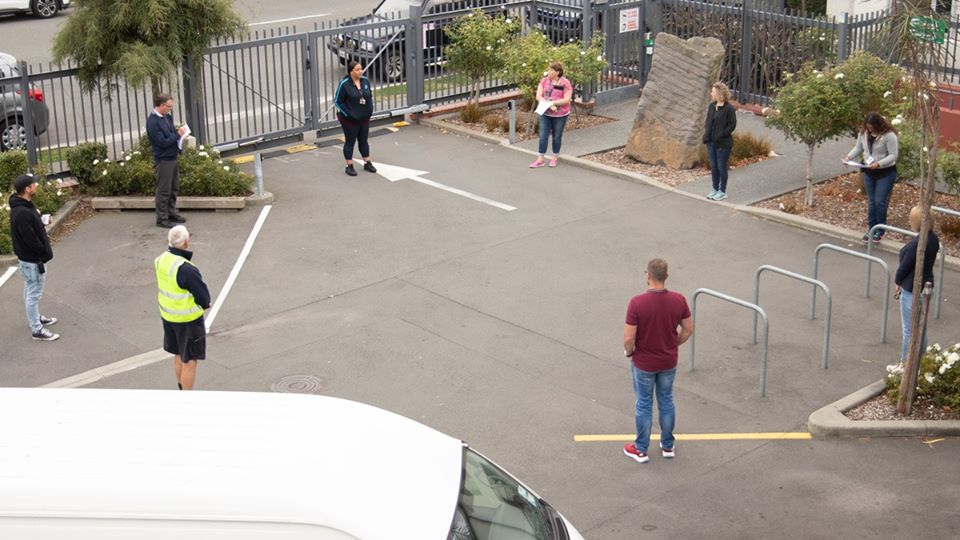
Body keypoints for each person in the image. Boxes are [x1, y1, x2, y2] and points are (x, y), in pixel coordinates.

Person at [622, 258, 693, 464]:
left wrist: (630, 352)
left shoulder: (637, 303)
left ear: (648, 276)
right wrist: (673, 344)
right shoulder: (678, 300)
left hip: (644, 362)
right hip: (668, 361)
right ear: (666, 276)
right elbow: (688, 329)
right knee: (666, 400)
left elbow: (628, 338)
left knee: (644, 404)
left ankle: (641, 449)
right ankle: (667, 445)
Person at [156, 225, 211, 390]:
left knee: (179, 354)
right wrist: (205, 304)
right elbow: (203, 296)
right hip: (188, 321)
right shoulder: (186, 269)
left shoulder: (160, 260)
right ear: (186, 242)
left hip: (169, 317)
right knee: (190, 360)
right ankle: (186, 398)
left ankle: (180, 387)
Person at [9, 174, 59, 341]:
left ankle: (36, 318)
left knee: (30, 290)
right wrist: (43, 252)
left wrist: (42, 221)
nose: (36, 186)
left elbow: (31, 225)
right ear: (27, 189)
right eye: (33, 184)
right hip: (33, 261)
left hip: (29, 260)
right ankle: (36, 330)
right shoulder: (22, 212)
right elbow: (30, 238)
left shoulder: (24, 206)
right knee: (33, 293)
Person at [844, 112, 899, 243]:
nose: (870, 129)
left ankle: (880, 229)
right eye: (868, 127)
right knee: (871, 201)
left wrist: (879, 163)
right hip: (869, 171)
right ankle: (871, 228)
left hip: (885, 171)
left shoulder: (889, 136)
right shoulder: (863, 133)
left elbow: (893, 155)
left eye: (872, 127)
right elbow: (859, 147)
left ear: (878, 125)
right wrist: (849, 157)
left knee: (880, 202)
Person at [895, 206, 939, 362]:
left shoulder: (917, 244)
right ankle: (921, 358)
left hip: (911, 287)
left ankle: (906, 362)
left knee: (909, 329)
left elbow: (905, 265)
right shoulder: (933, 239)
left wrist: (898, 280)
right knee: (921, 327)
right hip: (927, 285)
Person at [146, 93, 188, 229]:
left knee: (174, 188)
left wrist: (178, 134)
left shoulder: (166, 117)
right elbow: (162, 142)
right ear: (162, 105)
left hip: (172, 157)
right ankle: (162, 218)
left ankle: (171, 212)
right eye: (169, 106)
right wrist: (177, 135)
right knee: (164, 190)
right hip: (163, 160)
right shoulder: (153, 122)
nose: (170, 109)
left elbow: (170, 134)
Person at [335, 60, 376, 177]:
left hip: (364, 118)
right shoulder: (344, 84)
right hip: (350, 120)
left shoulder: (365, 81)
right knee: (350, 142)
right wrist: (349, 114)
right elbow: (337, 102)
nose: (360, 71)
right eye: (357, 70)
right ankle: (349, 165)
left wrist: (370, 110)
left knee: (363, 140)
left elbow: (369, 96)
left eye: (361, 69)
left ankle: (367, 162)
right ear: (351, 72)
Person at [530, 62, 573, 169]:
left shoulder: (565, 83)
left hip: (560, 115)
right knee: (543, 135)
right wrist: (547, 104)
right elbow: (538, 96)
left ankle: (554, 157)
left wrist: (554, 103)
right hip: (546, 113)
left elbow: (567, 99)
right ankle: (540, 159)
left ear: (557, 72)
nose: (548, 72)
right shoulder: (544, 81)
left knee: (557, 136)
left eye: (551, 70)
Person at [702, 81, 737, 201]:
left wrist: (722, 134)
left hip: (723, 144)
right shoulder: (712, 106)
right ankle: (715, 189)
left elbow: (732, 125)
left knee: (722, 167)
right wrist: (706, 136)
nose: (711, 93)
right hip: (711, 142)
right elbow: (708, 122)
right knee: (714, 166)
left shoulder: (728, 109)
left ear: (718, 93)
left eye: (713, 92)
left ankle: (722, 191)